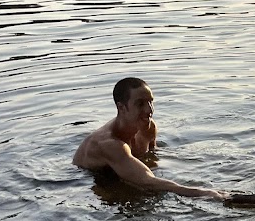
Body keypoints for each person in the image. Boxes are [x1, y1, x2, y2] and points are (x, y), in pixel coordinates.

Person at [73, 77, 227, 200]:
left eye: (150, 102)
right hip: (87, 180)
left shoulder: (148, 127)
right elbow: (147, 181)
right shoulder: (109, 144)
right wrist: (206, 193)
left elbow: (152, 159)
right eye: (140, 104)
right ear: (121, 108)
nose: (149, 110)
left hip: (125, 171)